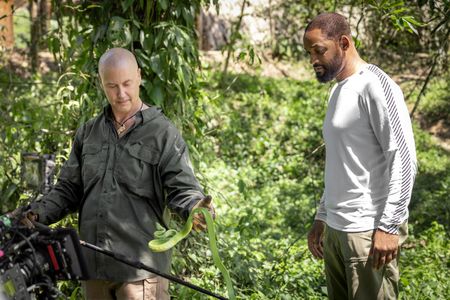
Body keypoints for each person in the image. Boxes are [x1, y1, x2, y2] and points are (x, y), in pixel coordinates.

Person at [14, 47, 214, 300]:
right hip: (94, 267)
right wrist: (35, 213)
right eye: (112, 86)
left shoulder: (163, 134)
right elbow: (68, 189)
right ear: (101, 83)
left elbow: (182, 188)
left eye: (127, 83)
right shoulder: (89, 132)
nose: (121, 94)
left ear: (139, 76)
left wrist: (195, 208)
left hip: (140, 272)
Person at [303, 13, 417, 300]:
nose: (313, 60)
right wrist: (322, 216)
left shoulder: (375, 85)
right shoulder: (337, 91)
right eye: (309, 53)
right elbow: (340, 163)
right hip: (337, 233)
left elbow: (403, 160)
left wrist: (389, 227)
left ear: (344, 42)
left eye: (319, 50)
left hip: (367, 232)